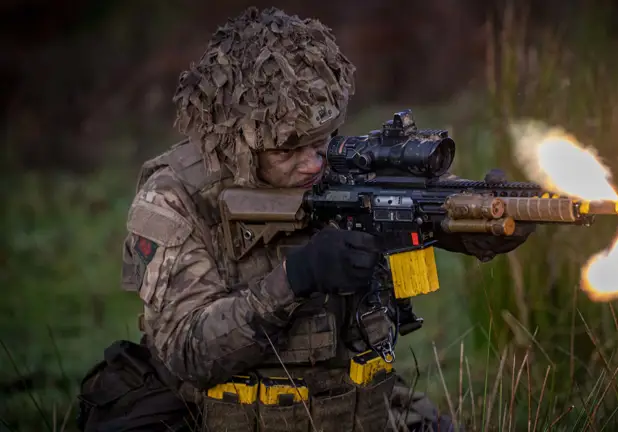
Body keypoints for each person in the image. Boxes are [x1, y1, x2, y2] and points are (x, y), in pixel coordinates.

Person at [75, 7, 535, 432]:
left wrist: (491, 221)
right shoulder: (174, 198)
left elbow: (430, 209)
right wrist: (296, 278)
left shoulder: (341, 163)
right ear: (240, 144)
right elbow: (187, 352)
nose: (314, 163)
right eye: (288, 150)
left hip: (358, 409)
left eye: (322, 140)